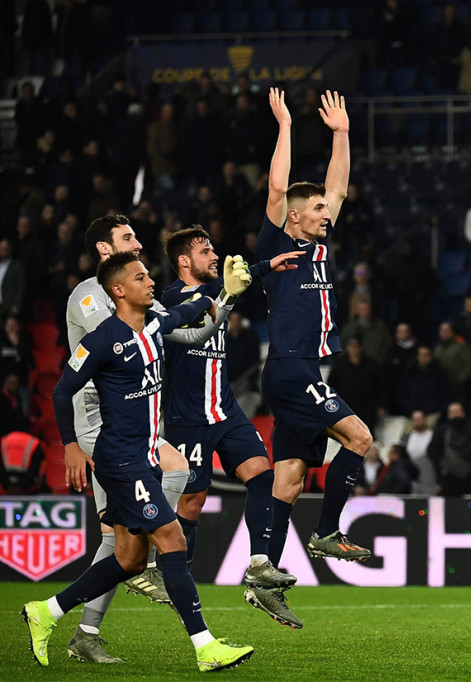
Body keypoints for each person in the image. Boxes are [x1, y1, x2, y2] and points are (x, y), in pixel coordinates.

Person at [25, 252, 253, 672]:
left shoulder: (154, 324)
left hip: (145, 458)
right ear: (118, 290)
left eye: (149, 274)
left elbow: (190, 309)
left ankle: (48, 611)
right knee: (172, 539)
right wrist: (71, 446)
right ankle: (205, 647)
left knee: (129, 560)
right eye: (140, 277)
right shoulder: (101, 340)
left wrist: (226, 293)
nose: (151, 281)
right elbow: (61, 391)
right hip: (121, 462)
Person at [259, 90, 375, 603]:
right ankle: (327, 532)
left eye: (327, 208)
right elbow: (279, 186)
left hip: (301, 370)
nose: (327, 211)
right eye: (318, 208)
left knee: (288, 480)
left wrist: (342, 134)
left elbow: (339, 186)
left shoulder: (320, 247)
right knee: (360, 438)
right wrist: (285, 124)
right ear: (293, 216)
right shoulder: (277, 247)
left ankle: (266, 576)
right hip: (290, 369)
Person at [162, 226, 305, 629]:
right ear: (183, 261)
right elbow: (205, 308)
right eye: (205, 250)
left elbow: (224, 294)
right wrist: (248, 278)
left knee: (262, 473)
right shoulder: (172, 299)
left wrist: (264, 268)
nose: (214, 255)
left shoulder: (214, 293)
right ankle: (175, 578)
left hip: (225, 411)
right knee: (192, 502)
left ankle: (260, 564)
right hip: (187, 418)